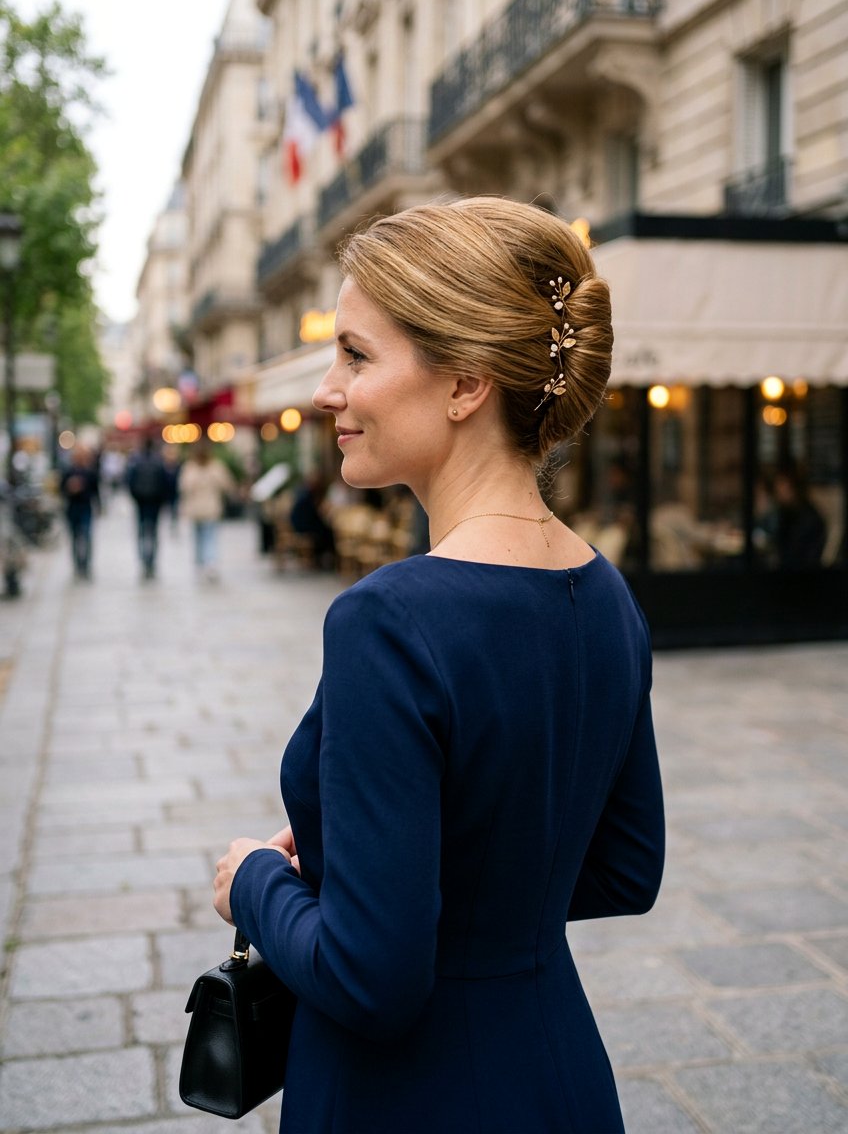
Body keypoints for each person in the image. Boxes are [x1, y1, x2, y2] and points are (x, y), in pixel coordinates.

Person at [212, 197, 665, 1133]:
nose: (326, 390)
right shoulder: (606, 591)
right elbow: (625, 868)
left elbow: (372, 977)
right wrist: (409, 874)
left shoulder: (389, 620)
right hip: (560, 1076)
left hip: (405, 1096)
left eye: (356, 355)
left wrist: (254, 881)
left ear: (464, 385)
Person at [179, 440, 235, 581]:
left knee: (206, 537)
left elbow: (183, 487)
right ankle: (206, 563)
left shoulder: (198, 467)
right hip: (204, 509)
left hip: (205, 509)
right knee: (205, 537)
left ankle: (206, 563)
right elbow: (227, 485)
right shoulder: (204, 467)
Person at [126, 438, 171, 579]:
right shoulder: (159, 462)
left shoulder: (136, 462)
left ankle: (143, 560)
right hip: (155, 503)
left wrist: (135, 497)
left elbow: (129, 481)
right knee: (153, 532)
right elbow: (166, 482)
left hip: (141, 502)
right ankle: (151, 560)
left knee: (141, 532)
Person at [59, 444, 100, 580]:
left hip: (85, 508)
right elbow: (61, 489)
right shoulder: (68, 472)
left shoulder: (90, 472)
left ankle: (85, 564)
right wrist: (69, 487)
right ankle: (77, 563)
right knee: (74, 538)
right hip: (72, 509)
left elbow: (95, 490)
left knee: (86, 536)